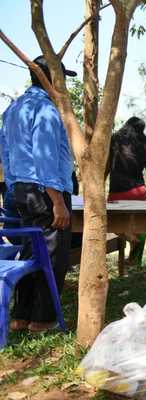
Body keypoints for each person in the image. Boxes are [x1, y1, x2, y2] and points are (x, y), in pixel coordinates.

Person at [0, 55, 76, 332]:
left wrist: (13, 188)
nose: (64, 85)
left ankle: (21, 315)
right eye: (61, 78)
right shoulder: (46, 110)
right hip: (46, 192)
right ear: (50, 79)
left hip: (21, 190)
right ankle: (42, 319)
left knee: (32, 252)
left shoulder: (13, 109)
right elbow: (45, 159)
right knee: (52, 255)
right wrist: (57, 202)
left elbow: (5, 155)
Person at [106, 116, 146, 264]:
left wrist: (100, 187)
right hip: (139, 192)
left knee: (111, 223)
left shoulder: (114, 142)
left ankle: (132, 241)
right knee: (135, 225)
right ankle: (131, 258)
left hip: (117, 192)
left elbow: (107, 167)